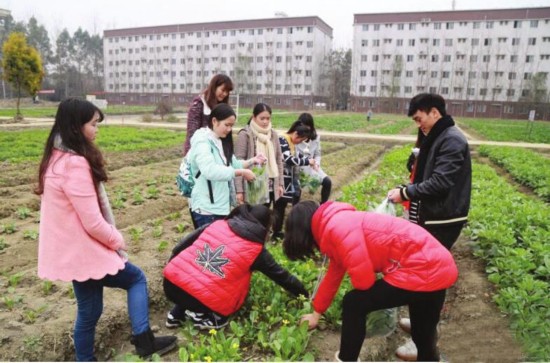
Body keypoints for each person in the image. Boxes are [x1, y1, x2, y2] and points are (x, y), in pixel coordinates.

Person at [35, 98, 176, 361]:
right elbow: (92, 222)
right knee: (136, 279)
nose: (97, 129)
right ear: (77, 127)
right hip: (86, 249)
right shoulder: (74, 164)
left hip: (73, 252)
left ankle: (85, 359)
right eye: (93, 124)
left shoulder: (54, 158)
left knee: (89, 311)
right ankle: (144, 341)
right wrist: (117, 239)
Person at [283, 201, 458, 362]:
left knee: (354, 302)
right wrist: (317, 313)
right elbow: (333, 276)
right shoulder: (338, 221)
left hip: (420, 268)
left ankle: (347, 359)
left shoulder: (338, 228)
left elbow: (364, 282)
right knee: (423, 334)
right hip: (438, 265)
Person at [387, 93, 471, 360]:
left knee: (428, 278)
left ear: (434, 112)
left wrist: (407, 192)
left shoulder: (452, 140)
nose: (418, 124)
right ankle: (422, 324)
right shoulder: (437, 137)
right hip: (431, 217)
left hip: (441, 221)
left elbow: (440, 183)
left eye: (419, 118)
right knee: (426, 275)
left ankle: (424, 337)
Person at [163, 203, 308, 329]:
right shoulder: (256, 250)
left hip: (170, 285)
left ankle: (176, 314)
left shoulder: (217, 224)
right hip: (199, 299)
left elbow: (180, 246)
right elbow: (281, 276)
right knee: (236, 281)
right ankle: (214, 318)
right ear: (264, 227)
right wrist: (305, 294)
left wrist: (173, 265)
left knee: (196, 271)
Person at [187, 103, 266, 228]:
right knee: (210, 247)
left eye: (232, 125)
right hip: (206, 208)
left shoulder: (221, 140)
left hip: (221, 206)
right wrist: (241, 173)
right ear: (214, 121)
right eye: (227, 125)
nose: (229, 129)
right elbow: (209, 170)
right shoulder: (202, 141)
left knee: (218, 246)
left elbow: (234, 164)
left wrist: (253, 161)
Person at [271, 120, 316, 241]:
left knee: (281, 205)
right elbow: (288, 159)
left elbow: (296, 156)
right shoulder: (282, 140)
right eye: (301, 140)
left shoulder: (290, 142)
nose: (300, 142)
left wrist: (309, 160)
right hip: (278, 178)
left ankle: (277, 231)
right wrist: (307, 162)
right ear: (296, 134)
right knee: (278, 206)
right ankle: (274, 232)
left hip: (286, 180)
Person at [234, 102, 284, 206]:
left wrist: (280, 184)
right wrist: (239, 190)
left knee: (264, 216)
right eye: (262, 118)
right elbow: (238, 163)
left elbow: (278, 159)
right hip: (252, 185)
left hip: (270, 184)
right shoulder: (245, 134)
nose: (265, 122)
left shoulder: (273, 134)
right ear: (254, 117)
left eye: (268, 118)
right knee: (252, 217)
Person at [183, 74, 233, 155]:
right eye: (223, 90)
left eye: (227, 92)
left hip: (217, 153)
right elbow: (192, 133)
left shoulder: (223, 107)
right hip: (200, 153)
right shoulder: (199, 104)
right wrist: (192, 155)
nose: (225, 94)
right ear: (214, 87)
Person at [295, 113, 332, 204]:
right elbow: (294, 155)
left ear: (311, 126)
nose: (305, 129)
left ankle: (323, 205)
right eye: (302, 126)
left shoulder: (315, 138)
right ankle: (294, 207)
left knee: (327, 182)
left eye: (307, 126)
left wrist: (316, 164)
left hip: (312, 166)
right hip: (298, 167)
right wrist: (304, 162)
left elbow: (318, 154)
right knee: (297, 188)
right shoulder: (295, 137)